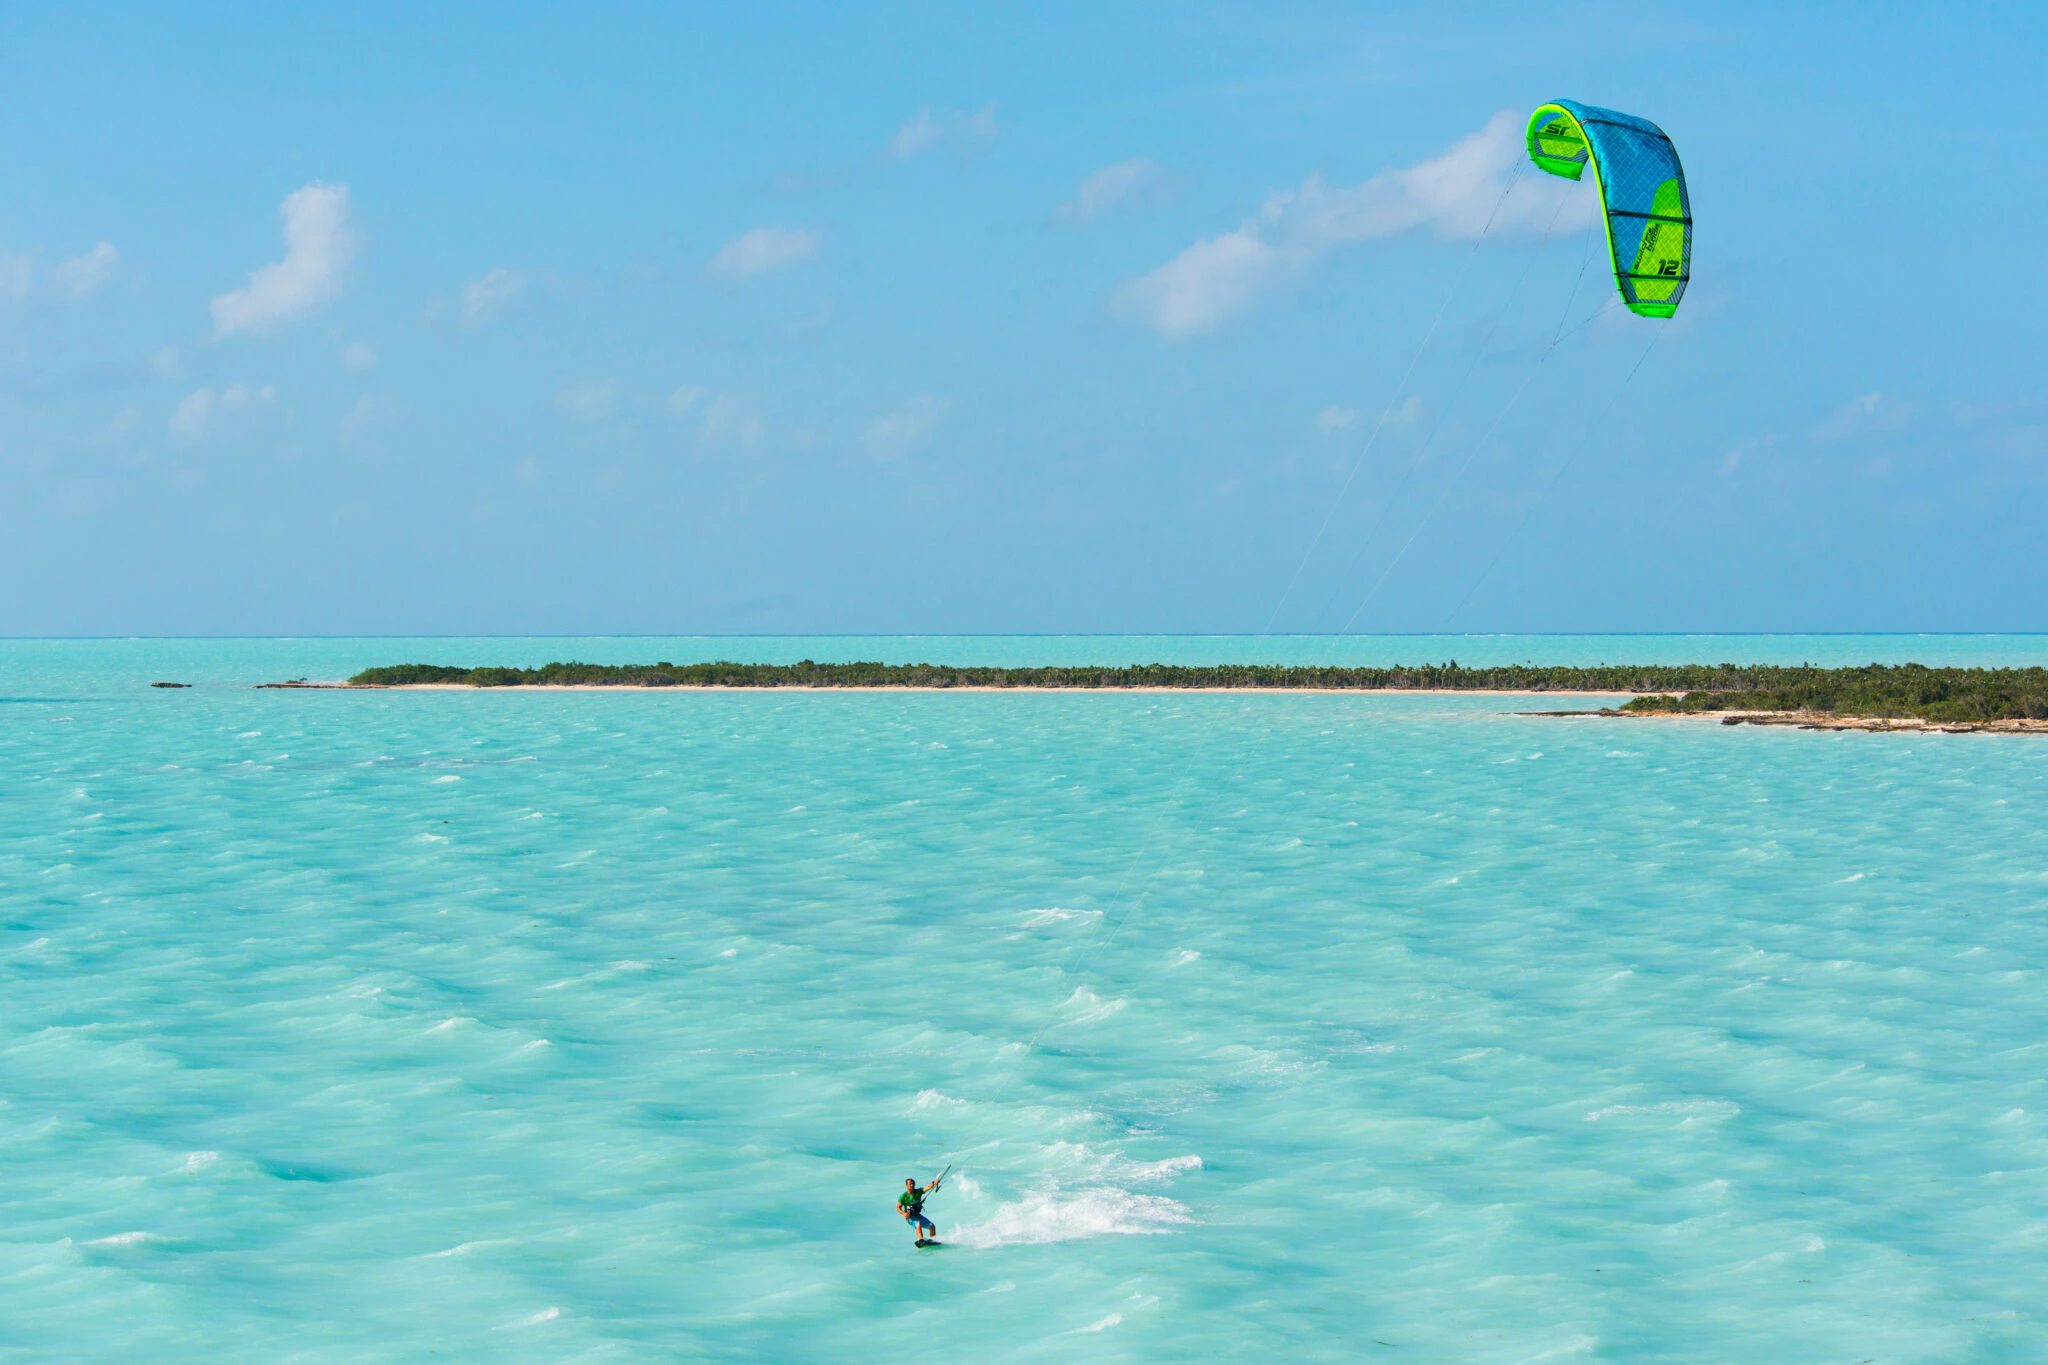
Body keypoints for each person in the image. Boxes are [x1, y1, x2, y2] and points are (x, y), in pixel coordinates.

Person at [898, 1173, 941, 1243]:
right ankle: (921, 1240)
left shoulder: (918, 1192)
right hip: (910, 1217)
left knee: (932, 1226)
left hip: (918, 1215)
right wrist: (903, 1213)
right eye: (910, 1184)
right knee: (918, 1224)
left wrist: (934, 1183)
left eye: (913, 1184)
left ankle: (932, 1240)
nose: (912, 1185)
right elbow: (898, 1207)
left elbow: (927, 1188)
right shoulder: (903, 1196)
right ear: (906, 1185)